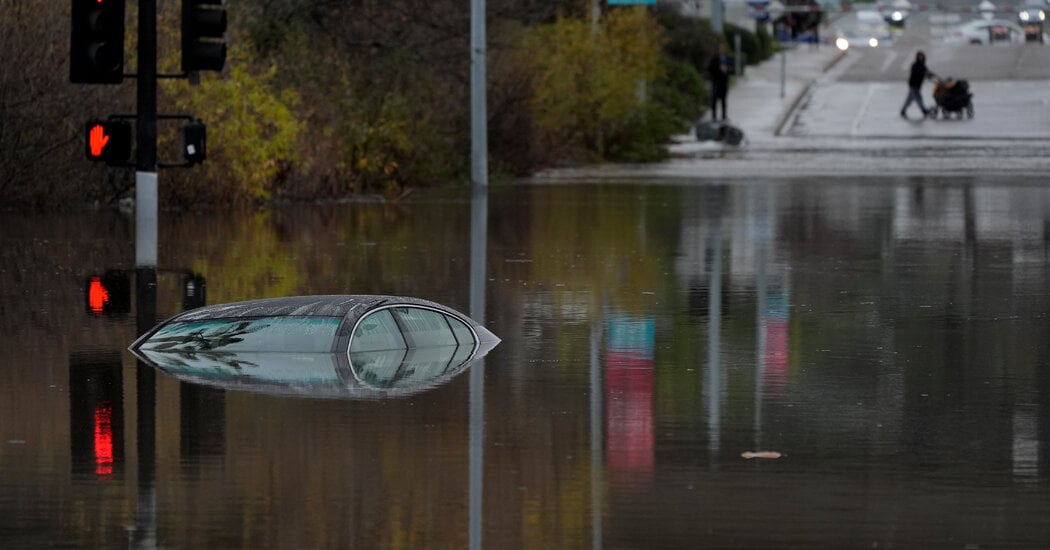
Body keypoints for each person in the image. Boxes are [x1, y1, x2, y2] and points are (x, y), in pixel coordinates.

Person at [900, 51, 935, 119]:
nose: (920, 58)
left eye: (921, 57)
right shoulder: (915, 65)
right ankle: (924, 110)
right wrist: (924, 73)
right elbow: (916, 73)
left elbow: (927, 72)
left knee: (909, 99)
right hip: (913, 85)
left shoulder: (923, 66)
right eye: (919, 57)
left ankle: (903, 110)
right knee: (918, 98)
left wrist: (931, 75)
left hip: (918, 85)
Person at [707, 44, 730, 121]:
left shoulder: (726, 58)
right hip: (716, 82)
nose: (722, 50)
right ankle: (714, 117)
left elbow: (729, 68)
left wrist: (727, 70)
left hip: (724, 82)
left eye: (723, 48)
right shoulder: (714, 58)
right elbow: (710, 69)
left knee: (724, 100)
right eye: (721, 48)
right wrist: (719, 69)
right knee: (714, 100)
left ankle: (724, 116)